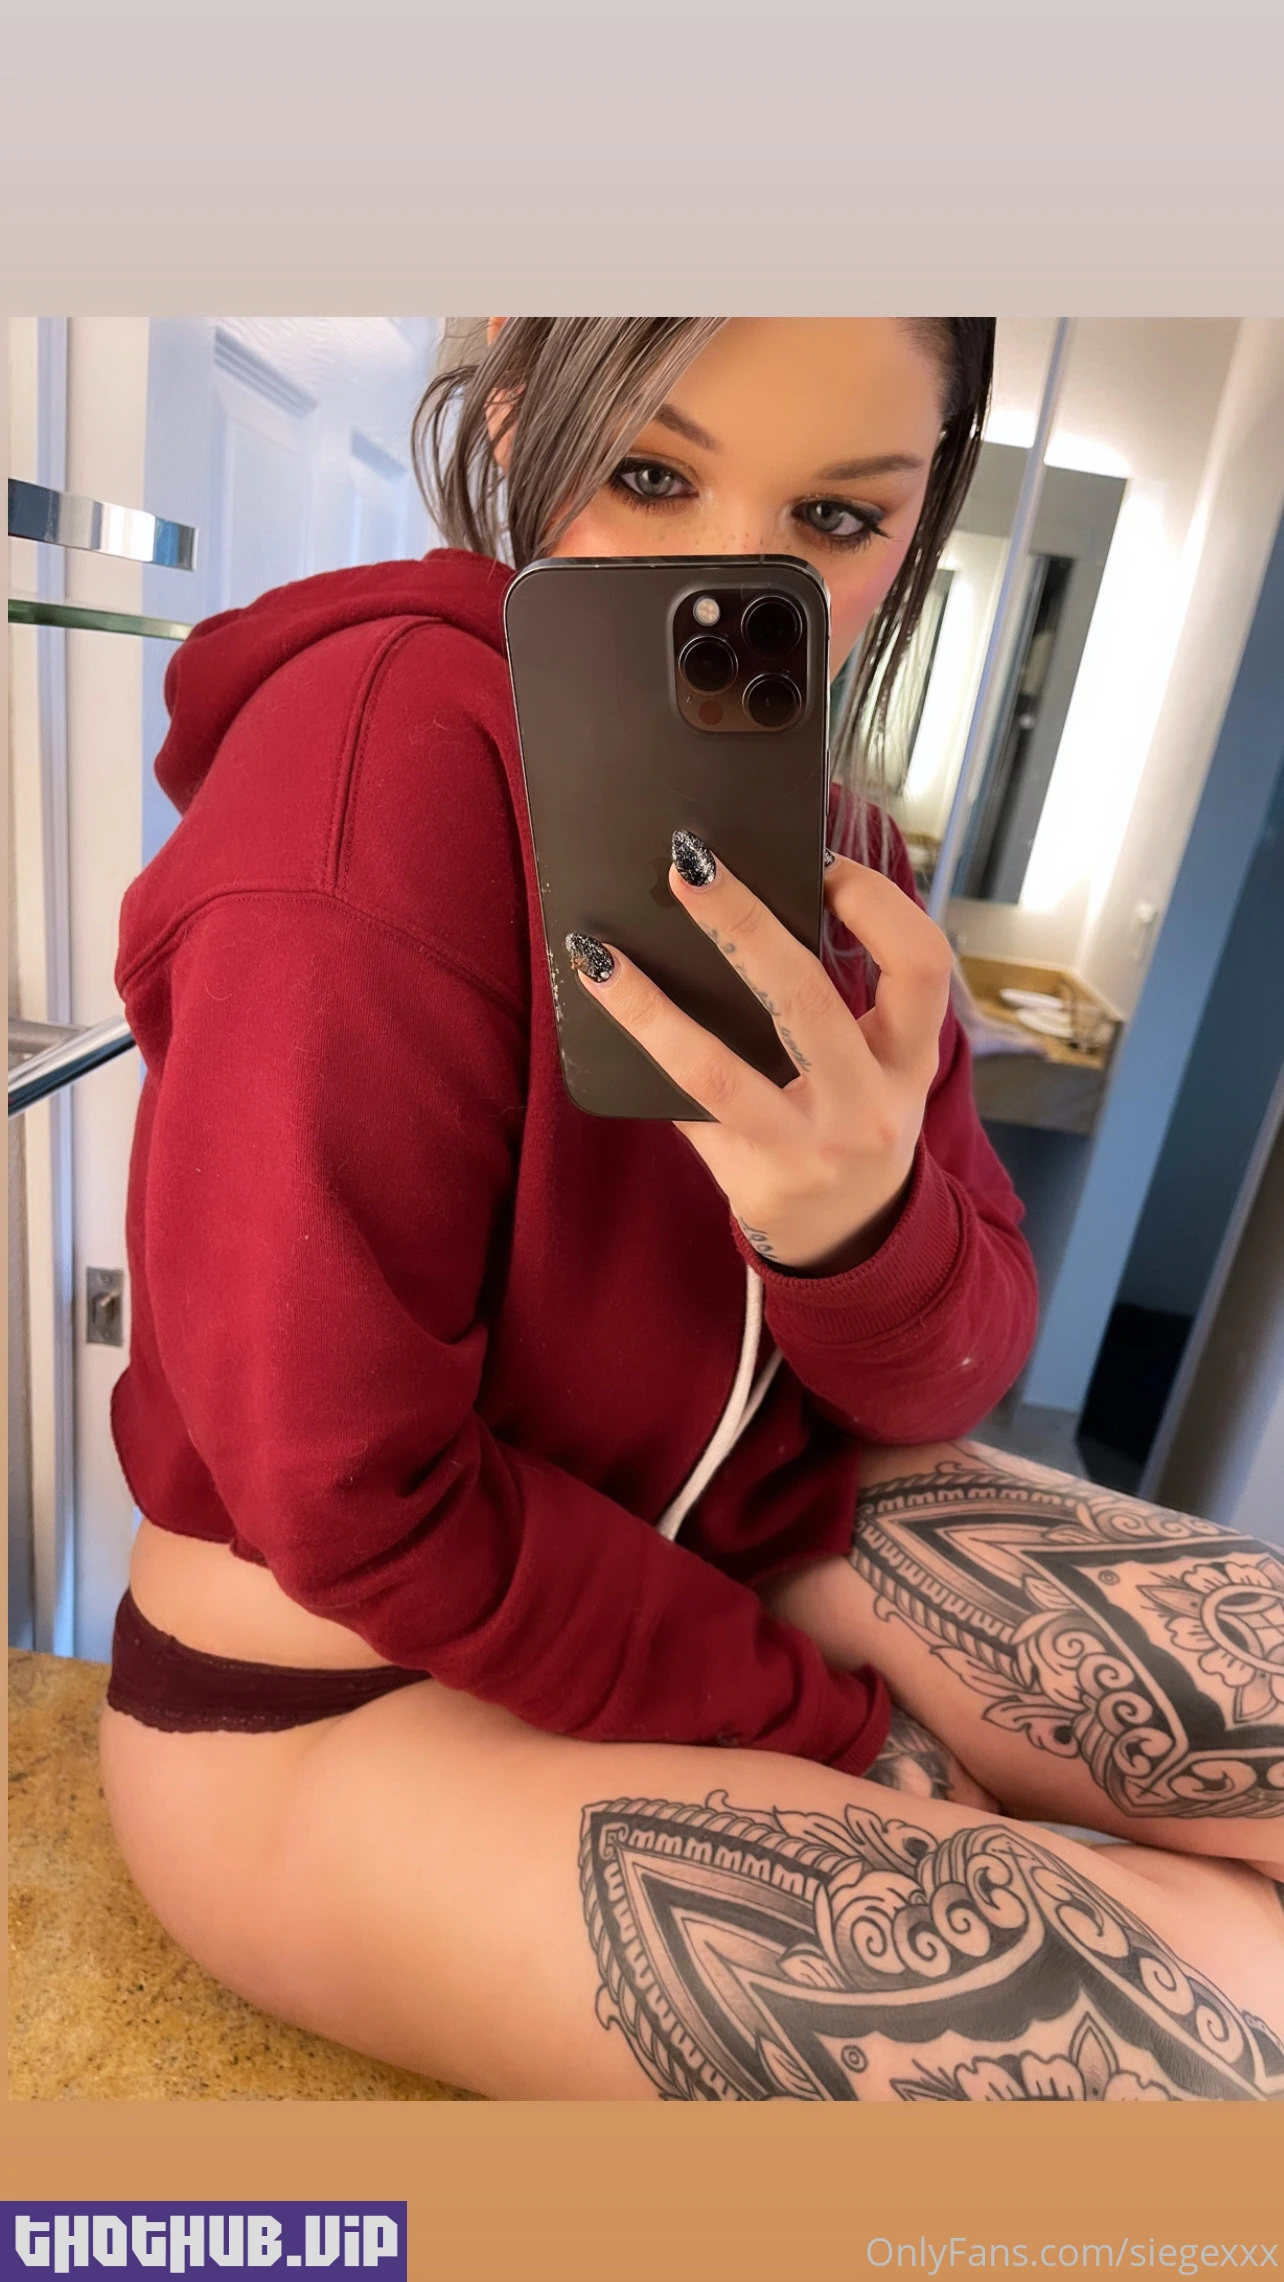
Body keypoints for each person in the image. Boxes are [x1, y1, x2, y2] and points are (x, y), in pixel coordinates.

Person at [98, 318, 1284, 2102]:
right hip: (333, 1707)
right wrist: (836, 1731)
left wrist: (856, 1225)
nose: (726, 583)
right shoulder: (370, 774)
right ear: (518, 422)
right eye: (652, 476)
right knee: (1226, 2056)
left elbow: (958, 1371)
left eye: (836, 516)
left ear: (925, 510)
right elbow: (351, 1489)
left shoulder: (841, 852)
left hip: (731, 1541)